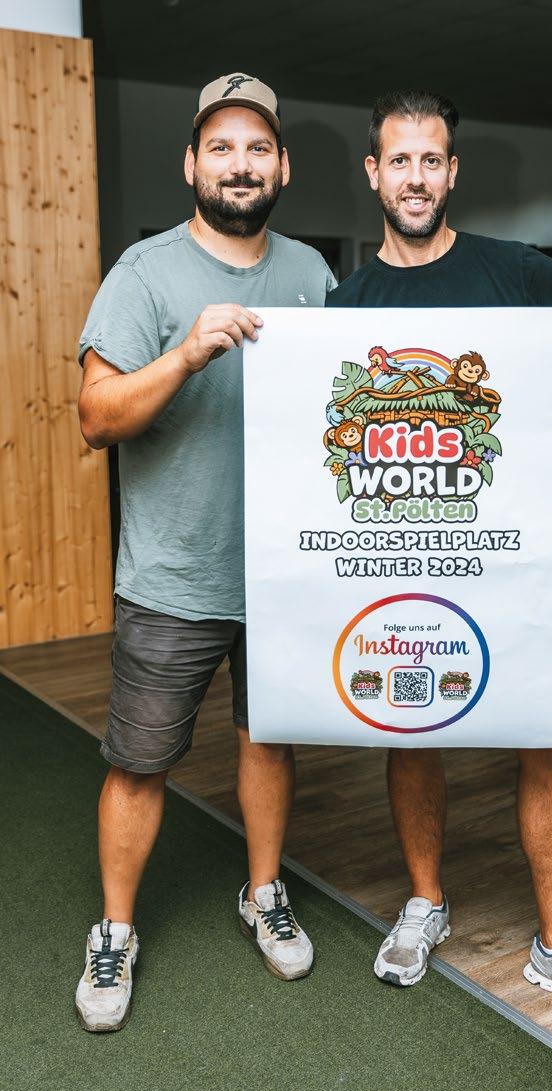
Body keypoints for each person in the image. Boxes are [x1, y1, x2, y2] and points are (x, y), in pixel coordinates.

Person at [327, 90, 552, 1032]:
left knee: (544, 739)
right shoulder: (347, 307)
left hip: (515, 560)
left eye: (432, 160)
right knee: (410, 730)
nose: (416, 178)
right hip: (400, 559)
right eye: (400, 161)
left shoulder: (516, 271)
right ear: (374, 173)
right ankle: (425, 900)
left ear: (452, 172)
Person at [74, 72, 336, 1033]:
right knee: (140, 762)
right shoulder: (143, 273)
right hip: (174, 575)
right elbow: (96, 417)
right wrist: (185, 354)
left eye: (257, 148)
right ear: (191, 164)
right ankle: (115, 929)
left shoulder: (312, 274)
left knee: (269, 739)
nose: (240, 164)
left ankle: (263, 892)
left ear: (283, 166)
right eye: (221, 147)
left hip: (284, 573)